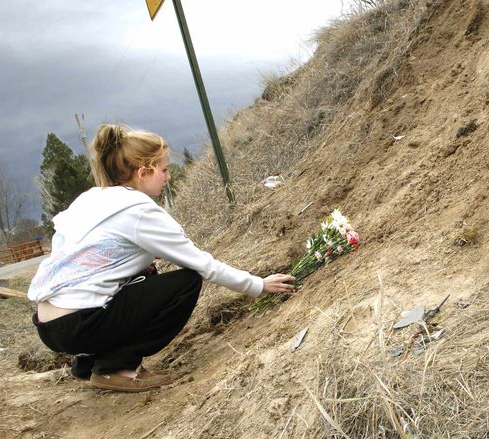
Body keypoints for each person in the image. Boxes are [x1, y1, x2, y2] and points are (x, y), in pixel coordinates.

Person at [28, 124, 296, 393]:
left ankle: (91, 361)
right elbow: (201, 264)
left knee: (147, 274)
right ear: (143, 172)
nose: (168, 176)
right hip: (80, 324)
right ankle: (116, 368)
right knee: (185, 283)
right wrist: (258, 286)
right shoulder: (139, 211)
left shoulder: (92, 199)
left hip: (50, 326)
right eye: (164, 169)